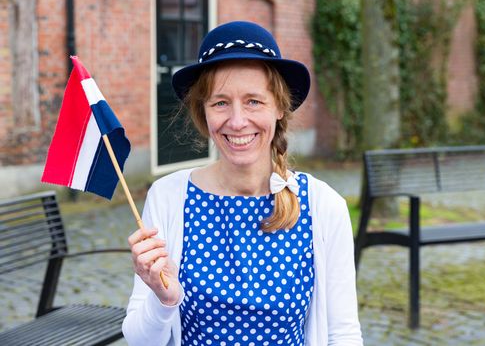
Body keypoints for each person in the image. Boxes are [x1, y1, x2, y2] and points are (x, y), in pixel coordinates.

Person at [122, 21, 363, 345]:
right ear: (203, 112)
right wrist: (164, 299)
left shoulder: (322, 206)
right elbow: (139, 340)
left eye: (253, 101)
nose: (237, 121)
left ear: (279, 106)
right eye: (220, 102)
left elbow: (343, 334)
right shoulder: (168, 198)